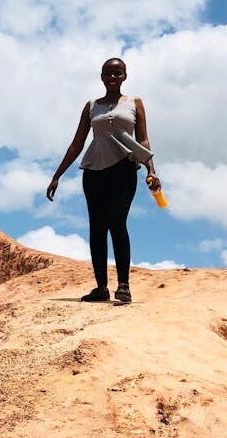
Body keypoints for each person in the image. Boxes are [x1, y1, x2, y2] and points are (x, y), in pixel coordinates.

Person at [45, 58, 161, 303]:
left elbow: (144, 140)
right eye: (108, 73)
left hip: (124, 169)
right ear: (101, 76)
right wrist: (57, 176)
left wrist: (151, 169)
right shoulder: (91, 106)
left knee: (117, 222)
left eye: (117, 73)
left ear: (124, 76)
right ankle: (100, 287)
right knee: (97, 227)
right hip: (94, 172)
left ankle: (124, 285)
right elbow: (77, 143)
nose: (113, 77)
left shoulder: (134, 103)